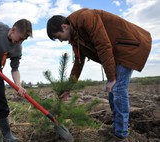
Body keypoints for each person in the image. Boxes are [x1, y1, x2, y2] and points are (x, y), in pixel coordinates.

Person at [47, 8, 152, 141]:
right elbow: (78, 64)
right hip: (117, 52)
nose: (60, 41)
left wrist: (112, 78)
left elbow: (103, 45)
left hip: (130, 46)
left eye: (58, 37)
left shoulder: (85, 17)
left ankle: (121, 134)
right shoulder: (76, 38)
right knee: (112, 91)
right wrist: (68, 89)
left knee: (118, 88)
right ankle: (117, 128)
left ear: (64, 26)